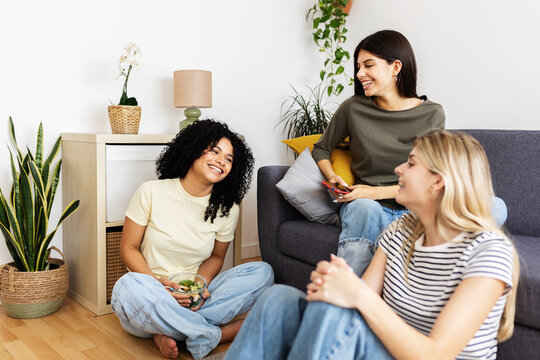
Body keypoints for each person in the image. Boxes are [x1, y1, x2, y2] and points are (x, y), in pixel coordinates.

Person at [226, 130, 519, 360]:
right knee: (278, 300)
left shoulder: (488, 251)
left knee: (334, 316)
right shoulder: (401, 231)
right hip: (388, 348)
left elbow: (436, 354)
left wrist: (354, 295)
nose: (399, 169)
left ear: (438, 182)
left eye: (412, 163)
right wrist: (334, 286)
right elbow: (360, 298)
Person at [312, 29, 506, 276]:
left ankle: (441, 273)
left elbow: (433, 175)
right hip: (371, 210)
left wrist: (375, 191)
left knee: (495, 206)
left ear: (395, 67)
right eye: (358, 66)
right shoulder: (353, 108)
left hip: (418, 209)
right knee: (363, 207)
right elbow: (321, 148)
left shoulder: (432, 113)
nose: (360, 74)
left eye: (368, 65)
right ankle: (349, 294)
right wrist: (333, 177)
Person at [111, 120, 274, 360]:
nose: (221, 161)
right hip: (150, 291)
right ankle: (216, 333)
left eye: (229, 159)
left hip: (193, 298)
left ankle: (167, 329)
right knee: (125, 288)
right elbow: (129, 248)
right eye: (215, 151)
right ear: (193, 148)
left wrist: (200, 286)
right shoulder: (151, 191)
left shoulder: (227, 208)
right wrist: (161, 288)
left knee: (263, 272)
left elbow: (217, 257)